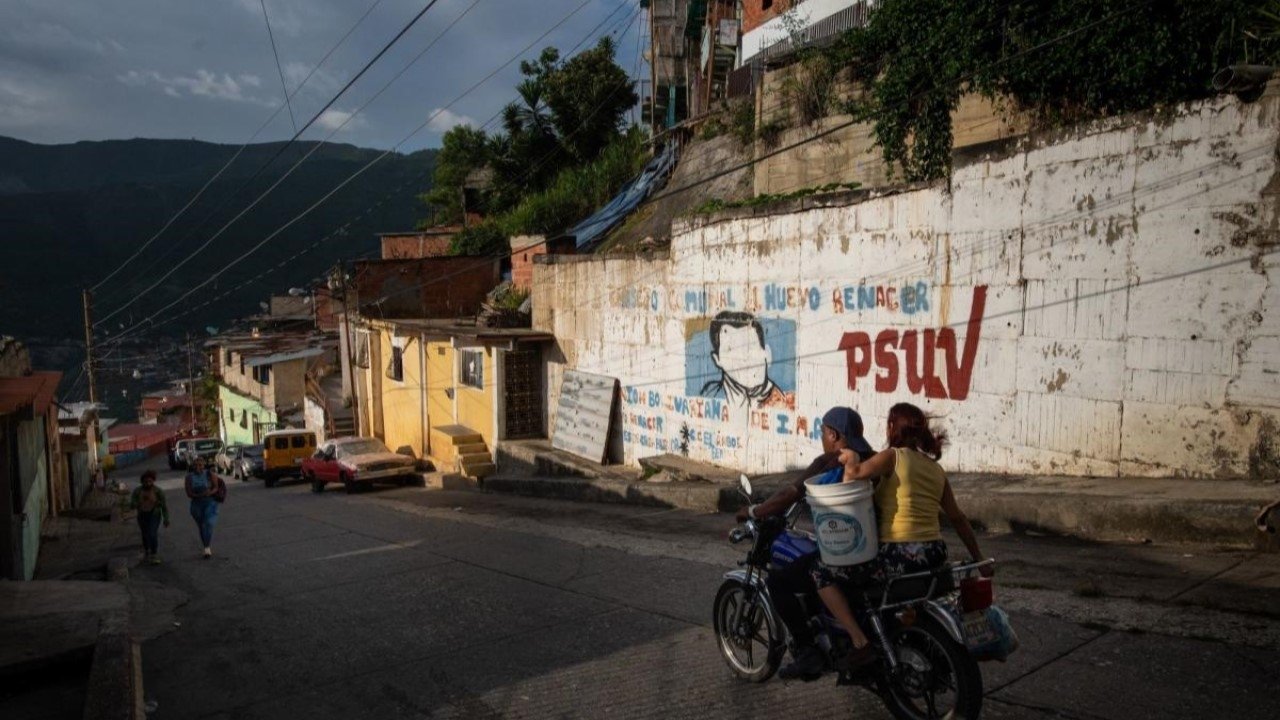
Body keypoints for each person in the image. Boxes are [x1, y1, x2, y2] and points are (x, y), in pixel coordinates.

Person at [813, 402, 993, 672]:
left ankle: (860, 642)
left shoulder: (893, 456)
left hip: (900, 555)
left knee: (820, 572)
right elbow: (957, 518)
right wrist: (978, 557)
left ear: (891, 427)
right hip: (934, 554)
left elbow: (853, 479)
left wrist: (850, 460)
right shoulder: (936, 470)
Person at [736, 406, 876, 681]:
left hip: (843, 549)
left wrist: (754, 512)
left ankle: (807, 651)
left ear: (834, 434)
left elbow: (789, 494)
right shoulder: (872, 458)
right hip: (871, 545)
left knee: (778, 582)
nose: (822, 438)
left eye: (823, 432)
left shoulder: (828, 461)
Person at [700, 311, 795, 410]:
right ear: (717, 359)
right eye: (730, 350)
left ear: (767, 355)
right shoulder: (709, 394)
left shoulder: (786, 405)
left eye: (751, 347)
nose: (744, 359)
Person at [185, 457, 222, 558]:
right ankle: (206, 546)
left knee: (208, 523)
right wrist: (198, 495)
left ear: (204, 465)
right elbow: (188, 493)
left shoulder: (210, 474)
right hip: (196, 504)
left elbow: (216, 487)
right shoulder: (189, 477)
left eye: (200, 465)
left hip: (210, 502)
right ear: (192, 466)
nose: (198, 467)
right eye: (195, 465)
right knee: (201, 526)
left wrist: (209, 492)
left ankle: (207, 548)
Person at [130, 469, 170, 564]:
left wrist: (166, 518)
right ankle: (147, 550)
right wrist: (139, 503)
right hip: (142, 515)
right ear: (142, 482)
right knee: (145, 534)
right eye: (146, 482)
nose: (148, 484)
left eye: (150, 481)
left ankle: (154, 554)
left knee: (152, 533)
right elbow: (132, 504)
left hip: (154, 515)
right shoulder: (137, 491)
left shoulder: (158, 491)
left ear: (153, 481)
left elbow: (164, 506)